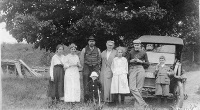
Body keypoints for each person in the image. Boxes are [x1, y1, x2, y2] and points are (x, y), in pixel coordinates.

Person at [126, 39, 149, 107]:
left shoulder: (144, 52)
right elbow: (126, 62)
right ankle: (143, 103)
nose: (136, 46)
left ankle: (137, 105)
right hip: (132, 68)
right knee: (132, 88)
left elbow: (148, 64)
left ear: (140, 45)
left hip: (140, 68)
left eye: (138, 45)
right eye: (135, 45)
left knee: (139, 88)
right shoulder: (130, 52)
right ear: (133, 45)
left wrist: (141, 62)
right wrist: (131, 61)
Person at [80, 36, 101, 102]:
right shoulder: (84, 49)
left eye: (93, 41)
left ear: (95, 42)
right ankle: (86, 100)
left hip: (95, 67)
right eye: (90, 41)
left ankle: (95, 99)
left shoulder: (98, 49)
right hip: (86, 67)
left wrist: (97, 66)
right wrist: (83, 68)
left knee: (95, 83)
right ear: (88, 42)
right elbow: (81, 59)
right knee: (86, 83)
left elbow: (99, 59)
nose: (91, 42)